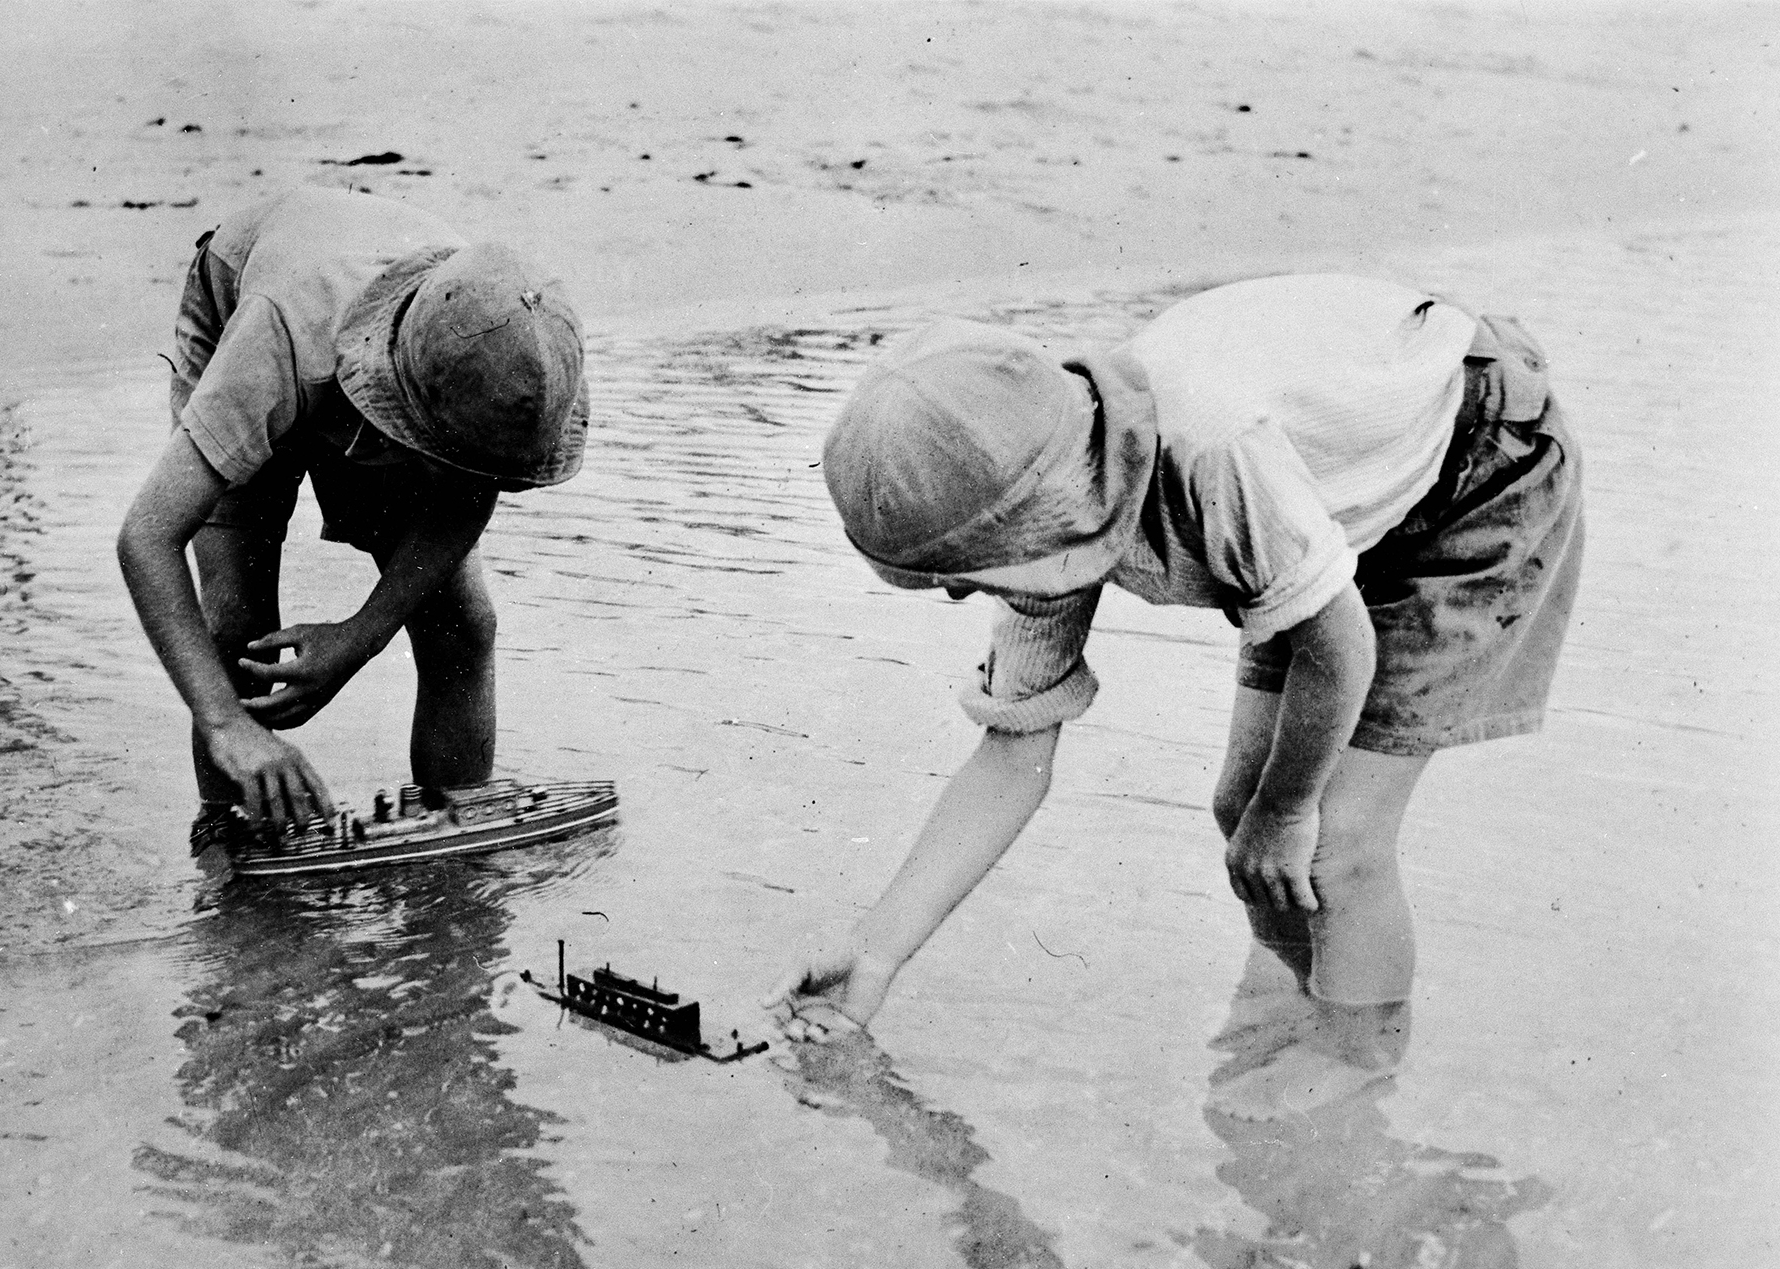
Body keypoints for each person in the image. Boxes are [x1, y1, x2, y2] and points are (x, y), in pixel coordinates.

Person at [765, 274, 1582, 1038]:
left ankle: (1356, 1062)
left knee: (1334, 834)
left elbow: (1339, 651)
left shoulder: (1210, 451)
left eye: (960, 577)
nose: (953, 597)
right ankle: (1290, 1003)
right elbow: (1015, 757)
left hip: (1478, 459)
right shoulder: (1053, 493)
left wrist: (1287, 812)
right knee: (1243, 808)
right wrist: (874, 953)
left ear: (1035, 523)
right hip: (1329, 498)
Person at [116, 187, 588, 853]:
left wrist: (361, 636)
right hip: (255, 303)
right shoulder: (281, 339)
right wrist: (226, 723)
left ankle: (453, 858)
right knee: (237, 627)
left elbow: (472, 491)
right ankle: (231, 847)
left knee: (463, 625)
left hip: (387, 344)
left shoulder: (500, 347)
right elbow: (146, 536)